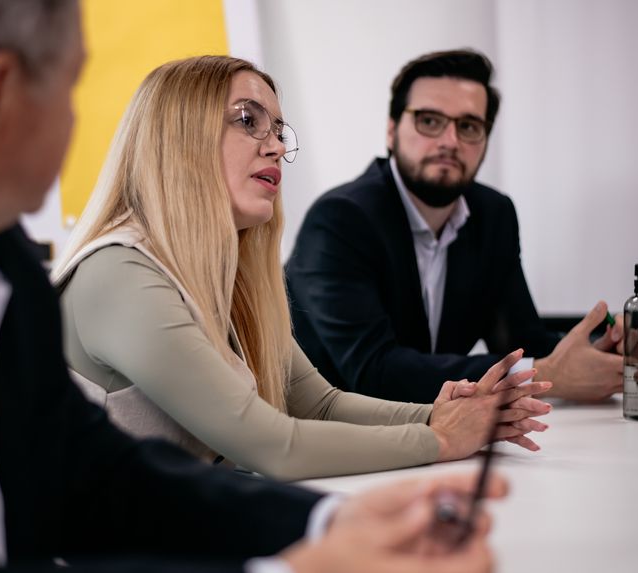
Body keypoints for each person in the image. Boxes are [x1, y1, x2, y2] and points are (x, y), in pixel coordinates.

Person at [0, 3, 505, 571]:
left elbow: (95, 473)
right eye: (72, 90)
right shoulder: (111, 270)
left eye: (277, 130)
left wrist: (325, 525)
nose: (273, 146)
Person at [51, 55, 552, 481]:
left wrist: (444, 415)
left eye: (276, 130)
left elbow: (319, 404)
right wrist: (439, 440)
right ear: (180, 135)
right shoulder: (121, 272)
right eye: (248, 121)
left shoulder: (226, 278)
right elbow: (269, 445)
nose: (274, 146)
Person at [285, 49, 624, 405]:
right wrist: (541, 372)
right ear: (391, 131)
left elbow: (524, 342)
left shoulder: (493, 214)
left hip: (435, 435)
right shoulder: (340, 220)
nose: (450, 141)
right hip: (328, 436)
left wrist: (594, 354)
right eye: (429, 121)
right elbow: (373, 371)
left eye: (468, 126)